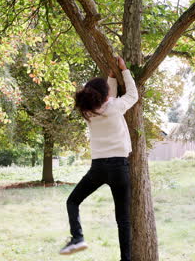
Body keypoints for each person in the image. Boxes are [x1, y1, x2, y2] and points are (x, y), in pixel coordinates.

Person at [59, 56, 138, 261]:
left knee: (73, 201)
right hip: (119, 167)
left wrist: (111, 77)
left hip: (98, 168)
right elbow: (132, 95)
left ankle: (77, 237)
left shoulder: (89, 112)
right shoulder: (115, 107)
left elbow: (106, 97)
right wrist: (124, 71)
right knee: (123, 219)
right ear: (105, 95)